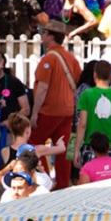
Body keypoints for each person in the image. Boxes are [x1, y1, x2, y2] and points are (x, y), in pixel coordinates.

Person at [30, 21, 82, 189]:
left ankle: (42, 181)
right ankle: (62, 185)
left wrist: (34, 113)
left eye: (44, 32)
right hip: (67, 111)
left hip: (49, 110)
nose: (42, 36)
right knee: (63, 150)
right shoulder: (71, 58)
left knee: (33, 144)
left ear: (50, 36)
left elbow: (42, 88)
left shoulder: (49, 58)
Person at [75, 60, 111, 167]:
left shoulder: (86, 94)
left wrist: (77, 149)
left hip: (90, 147)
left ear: (95, 74)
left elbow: (82, 124)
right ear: (110, 75)